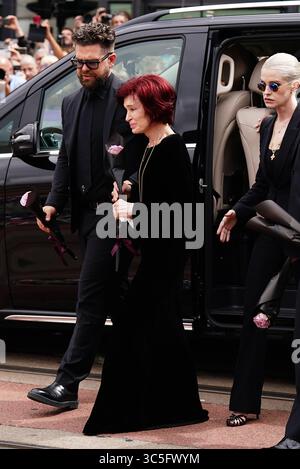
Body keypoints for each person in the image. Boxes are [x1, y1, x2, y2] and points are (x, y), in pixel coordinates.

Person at [27, 22, 145, 410]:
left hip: (117, 215)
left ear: (111, 58)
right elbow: (65, 157)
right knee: (117, 301)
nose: (83, 70)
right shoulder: (70, 102)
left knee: (90, 296)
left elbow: (143, 152)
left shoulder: (129, 98)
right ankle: (147, 372)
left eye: (91, 63)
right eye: (78, 62)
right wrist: (52, 202)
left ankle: (67, 384)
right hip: (84, 213)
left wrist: (128, 186)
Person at [83, 74, 209, 435]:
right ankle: (176, 407)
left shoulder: (169, 149)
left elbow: (182, 217)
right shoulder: (151, 145)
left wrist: (132, 213)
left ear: (154, 107)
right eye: (125, 110)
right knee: (165, 333)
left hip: (165, 260)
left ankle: (132, 412)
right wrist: (127, 201)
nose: (127, 118)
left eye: (133, 109)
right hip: (156, 257)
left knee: (132, 331)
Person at [217, 53, 300, 449]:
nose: (265, 92)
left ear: (295, 86)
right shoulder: (267, 126)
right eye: (262, 85)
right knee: (254, 310)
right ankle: (245, 402)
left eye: (273, 86)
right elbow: (263, 184)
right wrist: (236, 210)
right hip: (273, 228)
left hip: (299, 231)